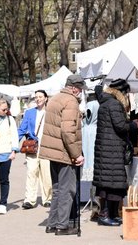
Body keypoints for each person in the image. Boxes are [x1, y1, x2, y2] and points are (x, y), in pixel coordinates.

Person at [39, 74, 86, 236]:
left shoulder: (55, 98)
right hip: (64, 152)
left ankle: (52, 224)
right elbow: (67, 131)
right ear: (73, 88)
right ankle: (62, 226)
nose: (80, 92)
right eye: (79, 89)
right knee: (67, 190)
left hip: (53, 151)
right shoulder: (70, 101)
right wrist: (77, 154)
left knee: (58, 189)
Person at [92, 78, 138, 226]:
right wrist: (135, 124)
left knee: (110, 184)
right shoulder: (113, 104)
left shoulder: (106, 102)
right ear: (121, 92)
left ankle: (111, 214)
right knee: (112, 184)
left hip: (107, 149)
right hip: (111, 149)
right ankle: (105, 215)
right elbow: (120, 126)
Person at [17, 90, 52, 209]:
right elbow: (22, 129)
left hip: (47, 147)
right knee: (31, 173)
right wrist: (14, 142)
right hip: (33, 146)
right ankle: (30, 200)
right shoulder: (29, 112)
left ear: (46, 98)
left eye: (40, 97)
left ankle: (48, 198)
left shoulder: (51, 112)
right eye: (36, 97)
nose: (38, 99)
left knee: (46, 175)